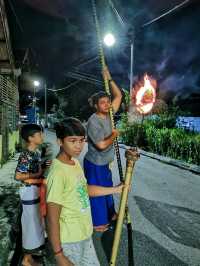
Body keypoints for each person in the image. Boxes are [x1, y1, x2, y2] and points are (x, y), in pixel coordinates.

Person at [46, 118, 124, 266]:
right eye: (73, 140)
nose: (79, 146)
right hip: (70, 241)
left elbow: (84, 189)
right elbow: (51, 217)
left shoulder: (74, 162)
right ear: (60, 142)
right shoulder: (57, 173)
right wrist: (58, 254)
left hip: (84, 235)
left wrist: (116, 189)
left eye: (82, 140)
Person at [84, 66, 122, 232]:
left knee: (108, 188)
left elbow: (119, 95)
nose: (107, 104)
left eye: (108, 101)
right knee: (98, 193)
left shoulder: (110, 114)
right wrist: (114, 134)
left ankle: (110, 214)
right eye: (103, 102)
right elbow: (101, 145)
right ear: (96, 106)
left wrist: (109, 78)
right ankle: (98, 223)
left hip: (105, 162)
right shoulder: (94, 121)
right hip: (95, 164)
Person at [15, 124, 45, 266]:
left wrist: (42, 168)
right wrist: (37, 176)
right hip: (29, 192)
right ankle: (26, 259)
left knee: (36, 223)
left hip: (35, 191)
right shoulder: (26, 154)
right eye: (39, 135)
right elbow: (18, 176)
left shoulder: (36, 152)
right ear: (30, 138)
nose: (42, 137)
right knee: (30, 225)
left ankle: (31, 255)